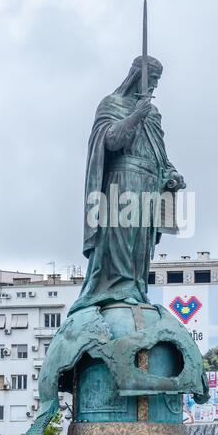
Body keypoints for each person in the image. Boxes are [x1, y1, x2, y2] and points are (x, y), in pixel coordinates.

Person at [69, 56, 185, 315]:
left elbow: (160, 154)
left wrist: (172, 174)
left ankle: (135, 287)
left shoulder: (153, 113)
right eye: (152, 79)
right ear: (137, 76)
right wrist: (135, 116)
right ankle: (117, 289)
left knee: (141, 244)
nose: (155, 85)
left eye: (158, 80)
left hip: (150, 184)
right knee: (120, 237)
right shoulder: (112, 103)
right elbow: (109, 141)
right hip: (121, 180)